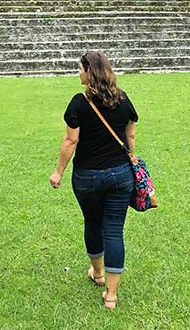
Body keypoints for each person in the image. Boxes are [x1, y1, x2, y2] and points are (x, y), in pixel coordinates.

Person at [49, 50, 138, 310]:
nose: (78, 73)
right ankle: (111, 296)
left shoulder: (79, 102)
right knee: (114, 230)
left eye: (80, 69)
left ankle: (98, 275)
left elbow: (70, 140)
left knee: (93, 222)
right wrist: (131, 160)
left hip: (87, 176)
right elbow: (130, 136)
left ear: (90, 72)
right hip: (121, 175)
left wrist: (58, 172)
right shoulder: (123, 99)